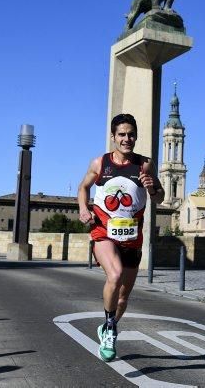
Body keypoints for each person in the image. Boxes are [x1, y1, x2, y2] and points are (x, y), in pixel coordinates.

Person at [77, 113, 164, 362]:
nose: (127, 139)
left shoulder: (144, 165)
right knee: (113, 275)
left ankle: (109, 325)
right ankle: (110, 328)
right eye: (122, 134)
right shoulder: (100, 163)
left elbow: (159, 197)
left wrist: (152, 188)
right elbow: (83, 187)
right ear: (113, 137)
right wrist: (84, 209)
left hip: (132, 237)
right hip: (103, 230)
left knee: (123, 296)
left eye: (131, 134)